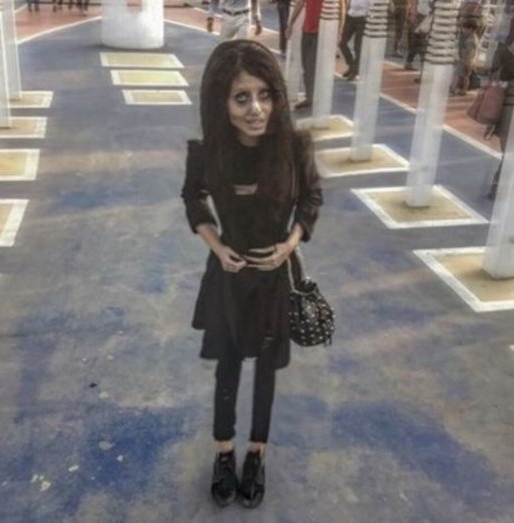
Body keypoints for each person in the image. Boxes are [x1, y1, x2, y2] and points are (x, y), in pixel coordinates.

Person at [181, 40, 323, 509]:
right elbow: (193, 197)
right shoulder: (209, 152)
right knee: (227, 365)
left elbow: (312, 198)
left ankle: (256, 454)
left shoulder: (295, 148)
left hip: (276, 280)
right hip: (228, 275)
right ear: (221, 101)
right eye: (241, 97)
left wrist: (289, 245)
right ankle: (224, 452)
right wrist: (217, 247)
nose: (255, 109)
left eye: (264, 95)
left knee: (265, 370)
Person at [485, 0, 514, 199]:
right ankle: (504, 184)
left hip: (510, 100)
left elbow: (498, 69)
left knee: (512, 147)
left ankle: (500, 184)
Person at [286, 0, 345, 109]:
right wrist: (291, 24)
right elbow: (299, 4)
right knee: (305, 64)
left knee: (310, 65)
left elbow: (342, 8)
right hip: (306, 30)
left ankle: (311, 97)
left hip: (320, 32)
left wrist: (340, 31)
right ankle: (310, 94)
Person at [339, 0, 373, 82]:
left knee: (358, 47)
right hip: (350, 17)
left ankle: (355, 71)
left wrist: (367, 16)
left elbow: (372, 7)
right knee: (342, 43)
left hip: (362, 19)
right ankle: (352, 65)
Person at [450, 21, 479, 96]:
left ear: (470, 29)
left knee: (462, 75)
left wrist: (468, 61)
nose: (463, 30)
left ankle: (459, 89)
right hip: (465, 60)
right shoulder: (469, 37)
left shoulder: (471, 40)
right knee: (462, 75)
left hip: (467, 60)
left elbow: (471, 52)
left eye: (465, 29)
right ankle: (459, 89)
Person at [404, 0, 432, 71]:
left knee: (417, 42)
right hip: (422, 16)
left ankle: (409, 62)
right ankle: (422, 67)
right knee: (420, 43)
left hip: (424, 16)